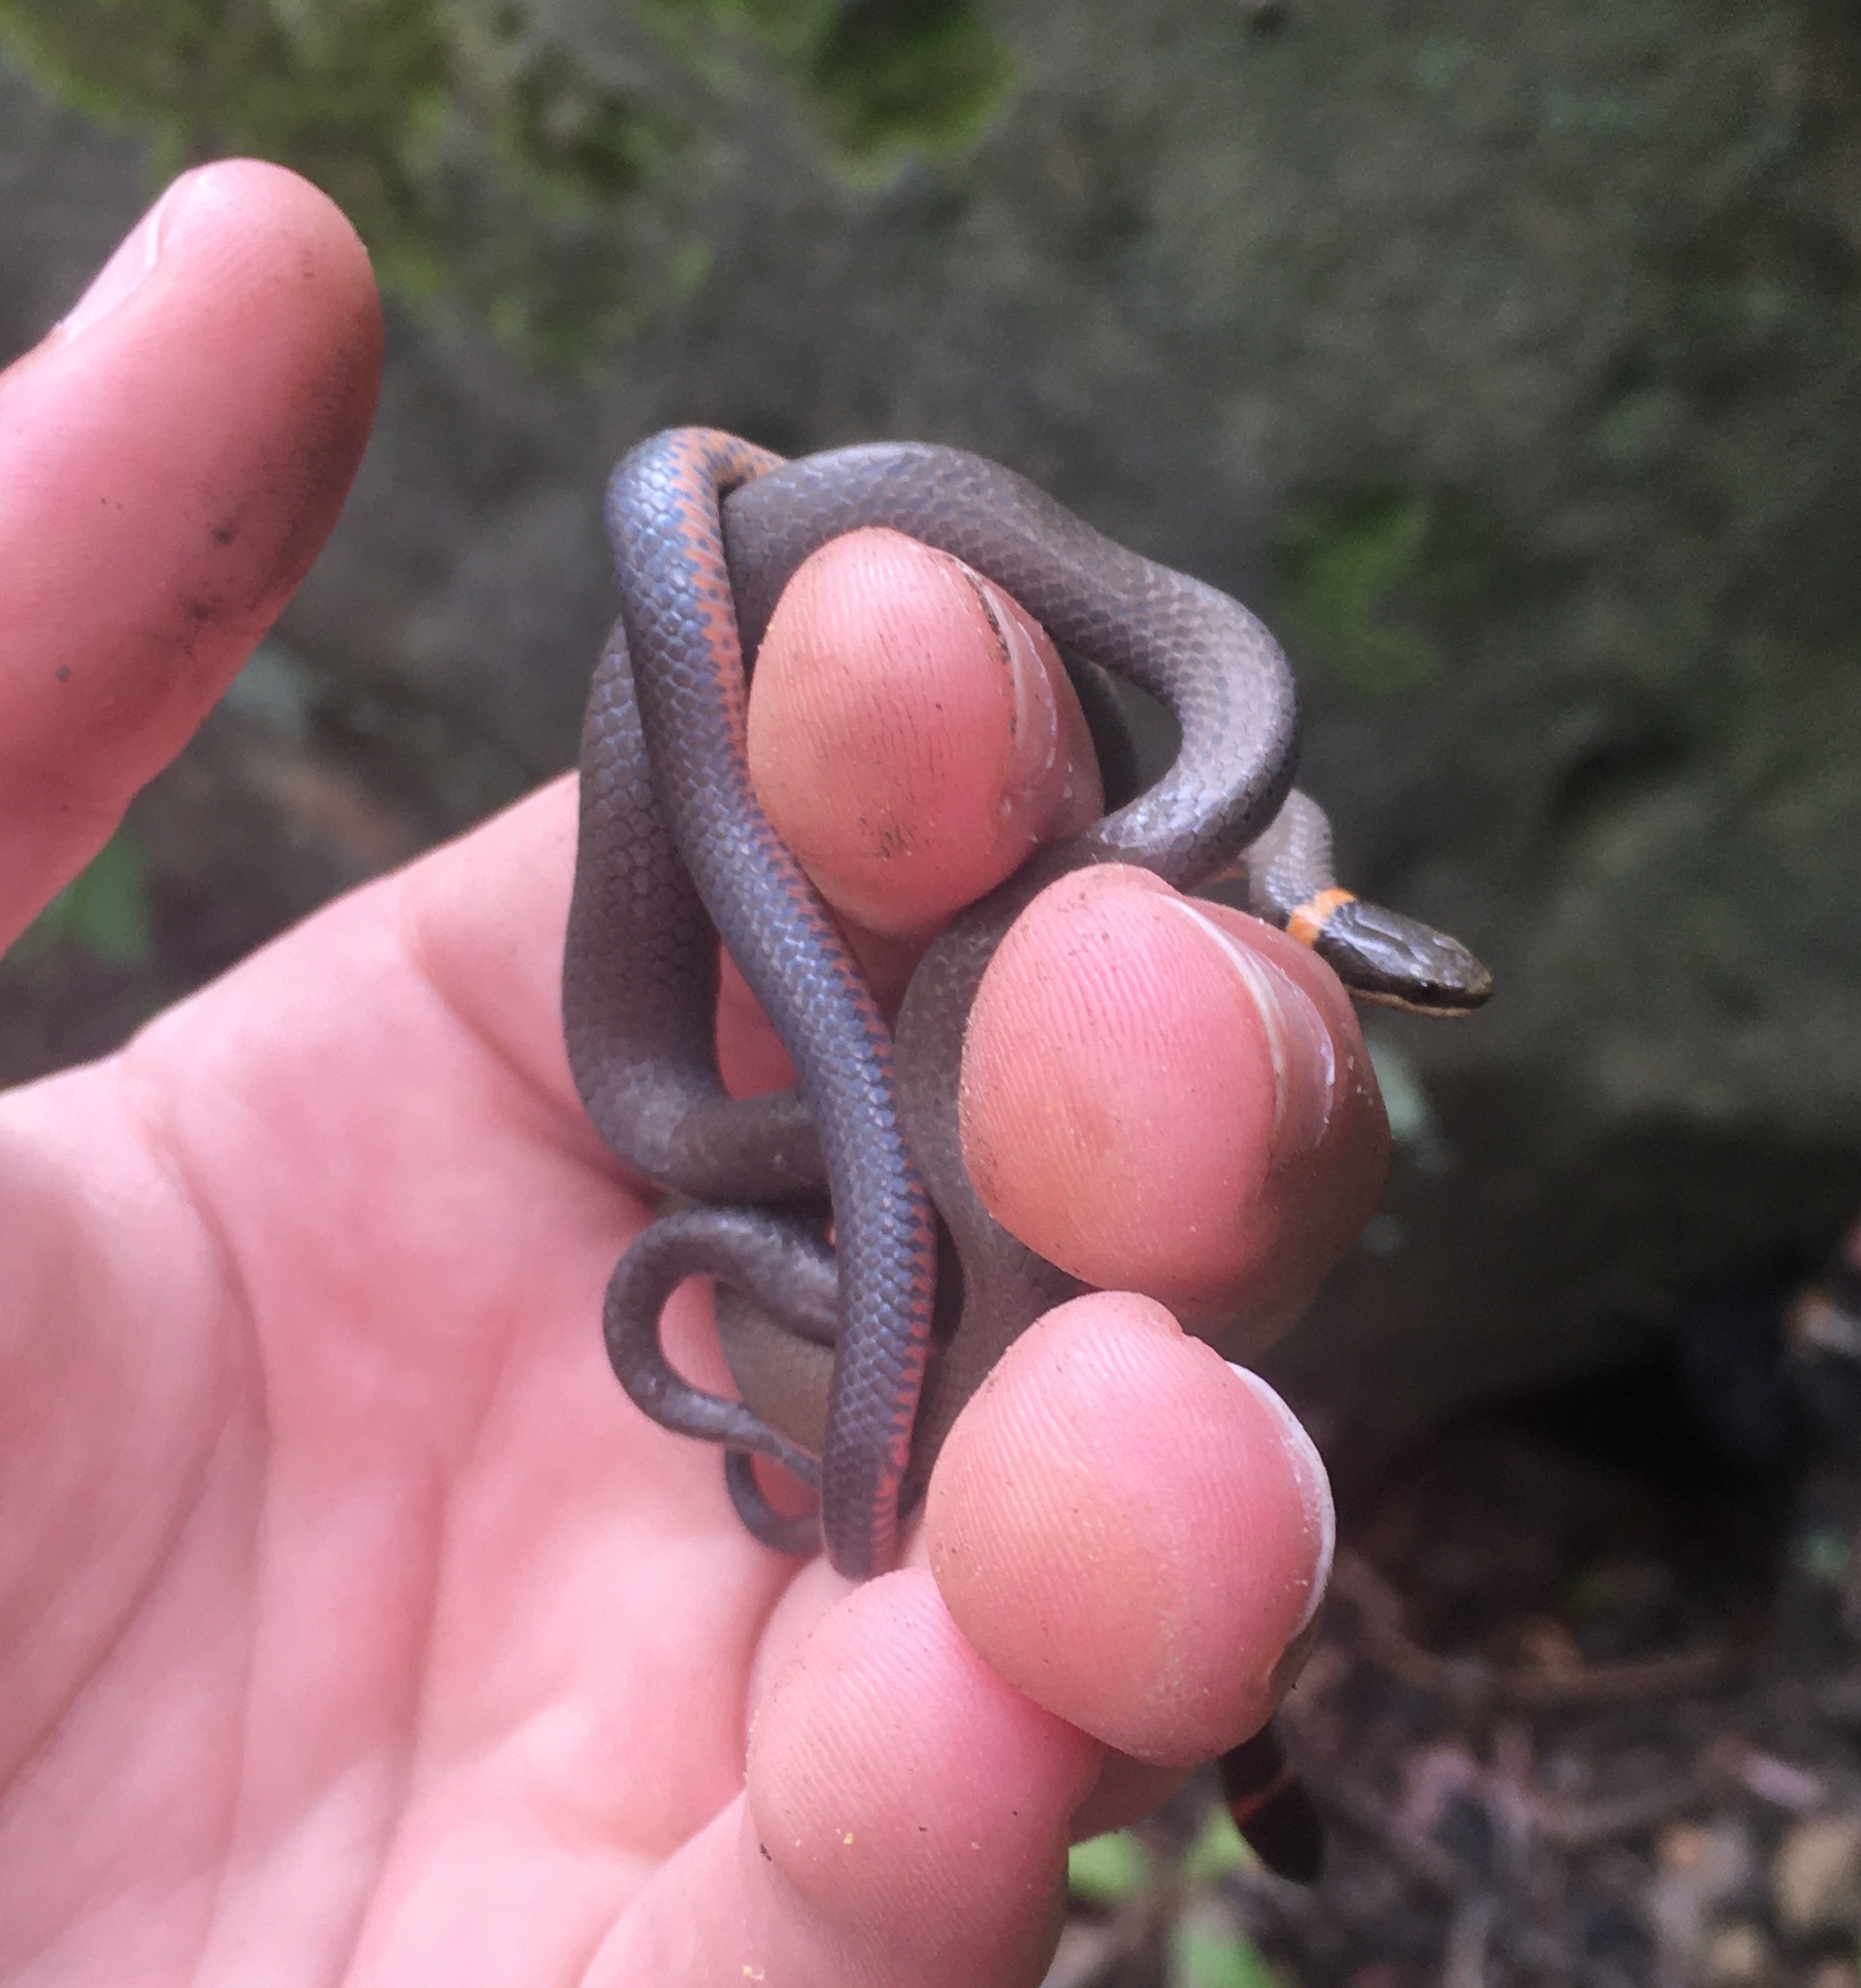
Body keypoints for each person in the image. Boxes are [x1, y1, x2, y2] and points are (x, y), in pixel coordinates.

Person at [0, 162, 1390, 1985]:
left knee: (1062, 1221)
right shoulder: (1187, 824)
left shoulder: (1223, 818)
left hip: (807, 1180)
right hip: (804, 1153)